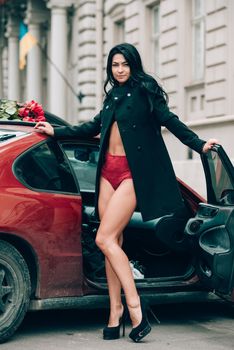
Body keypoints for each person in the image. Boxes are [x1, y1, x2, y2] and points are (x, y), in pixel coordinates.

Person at [35, 43, 218, 342]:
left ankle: (137, 309)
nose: (119, 70)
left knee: (103, 239)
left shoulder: (146, 89)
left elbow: (169, 120)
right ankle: (114, 311)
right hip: (107, 172)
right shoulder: (112, 97)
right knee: (113, 242)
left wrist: (198, 144)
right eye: (114, 65)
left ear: (133, 65)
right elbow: (92, 127)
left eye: (124, 64)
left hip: (133, 174)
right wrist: (56, 131)